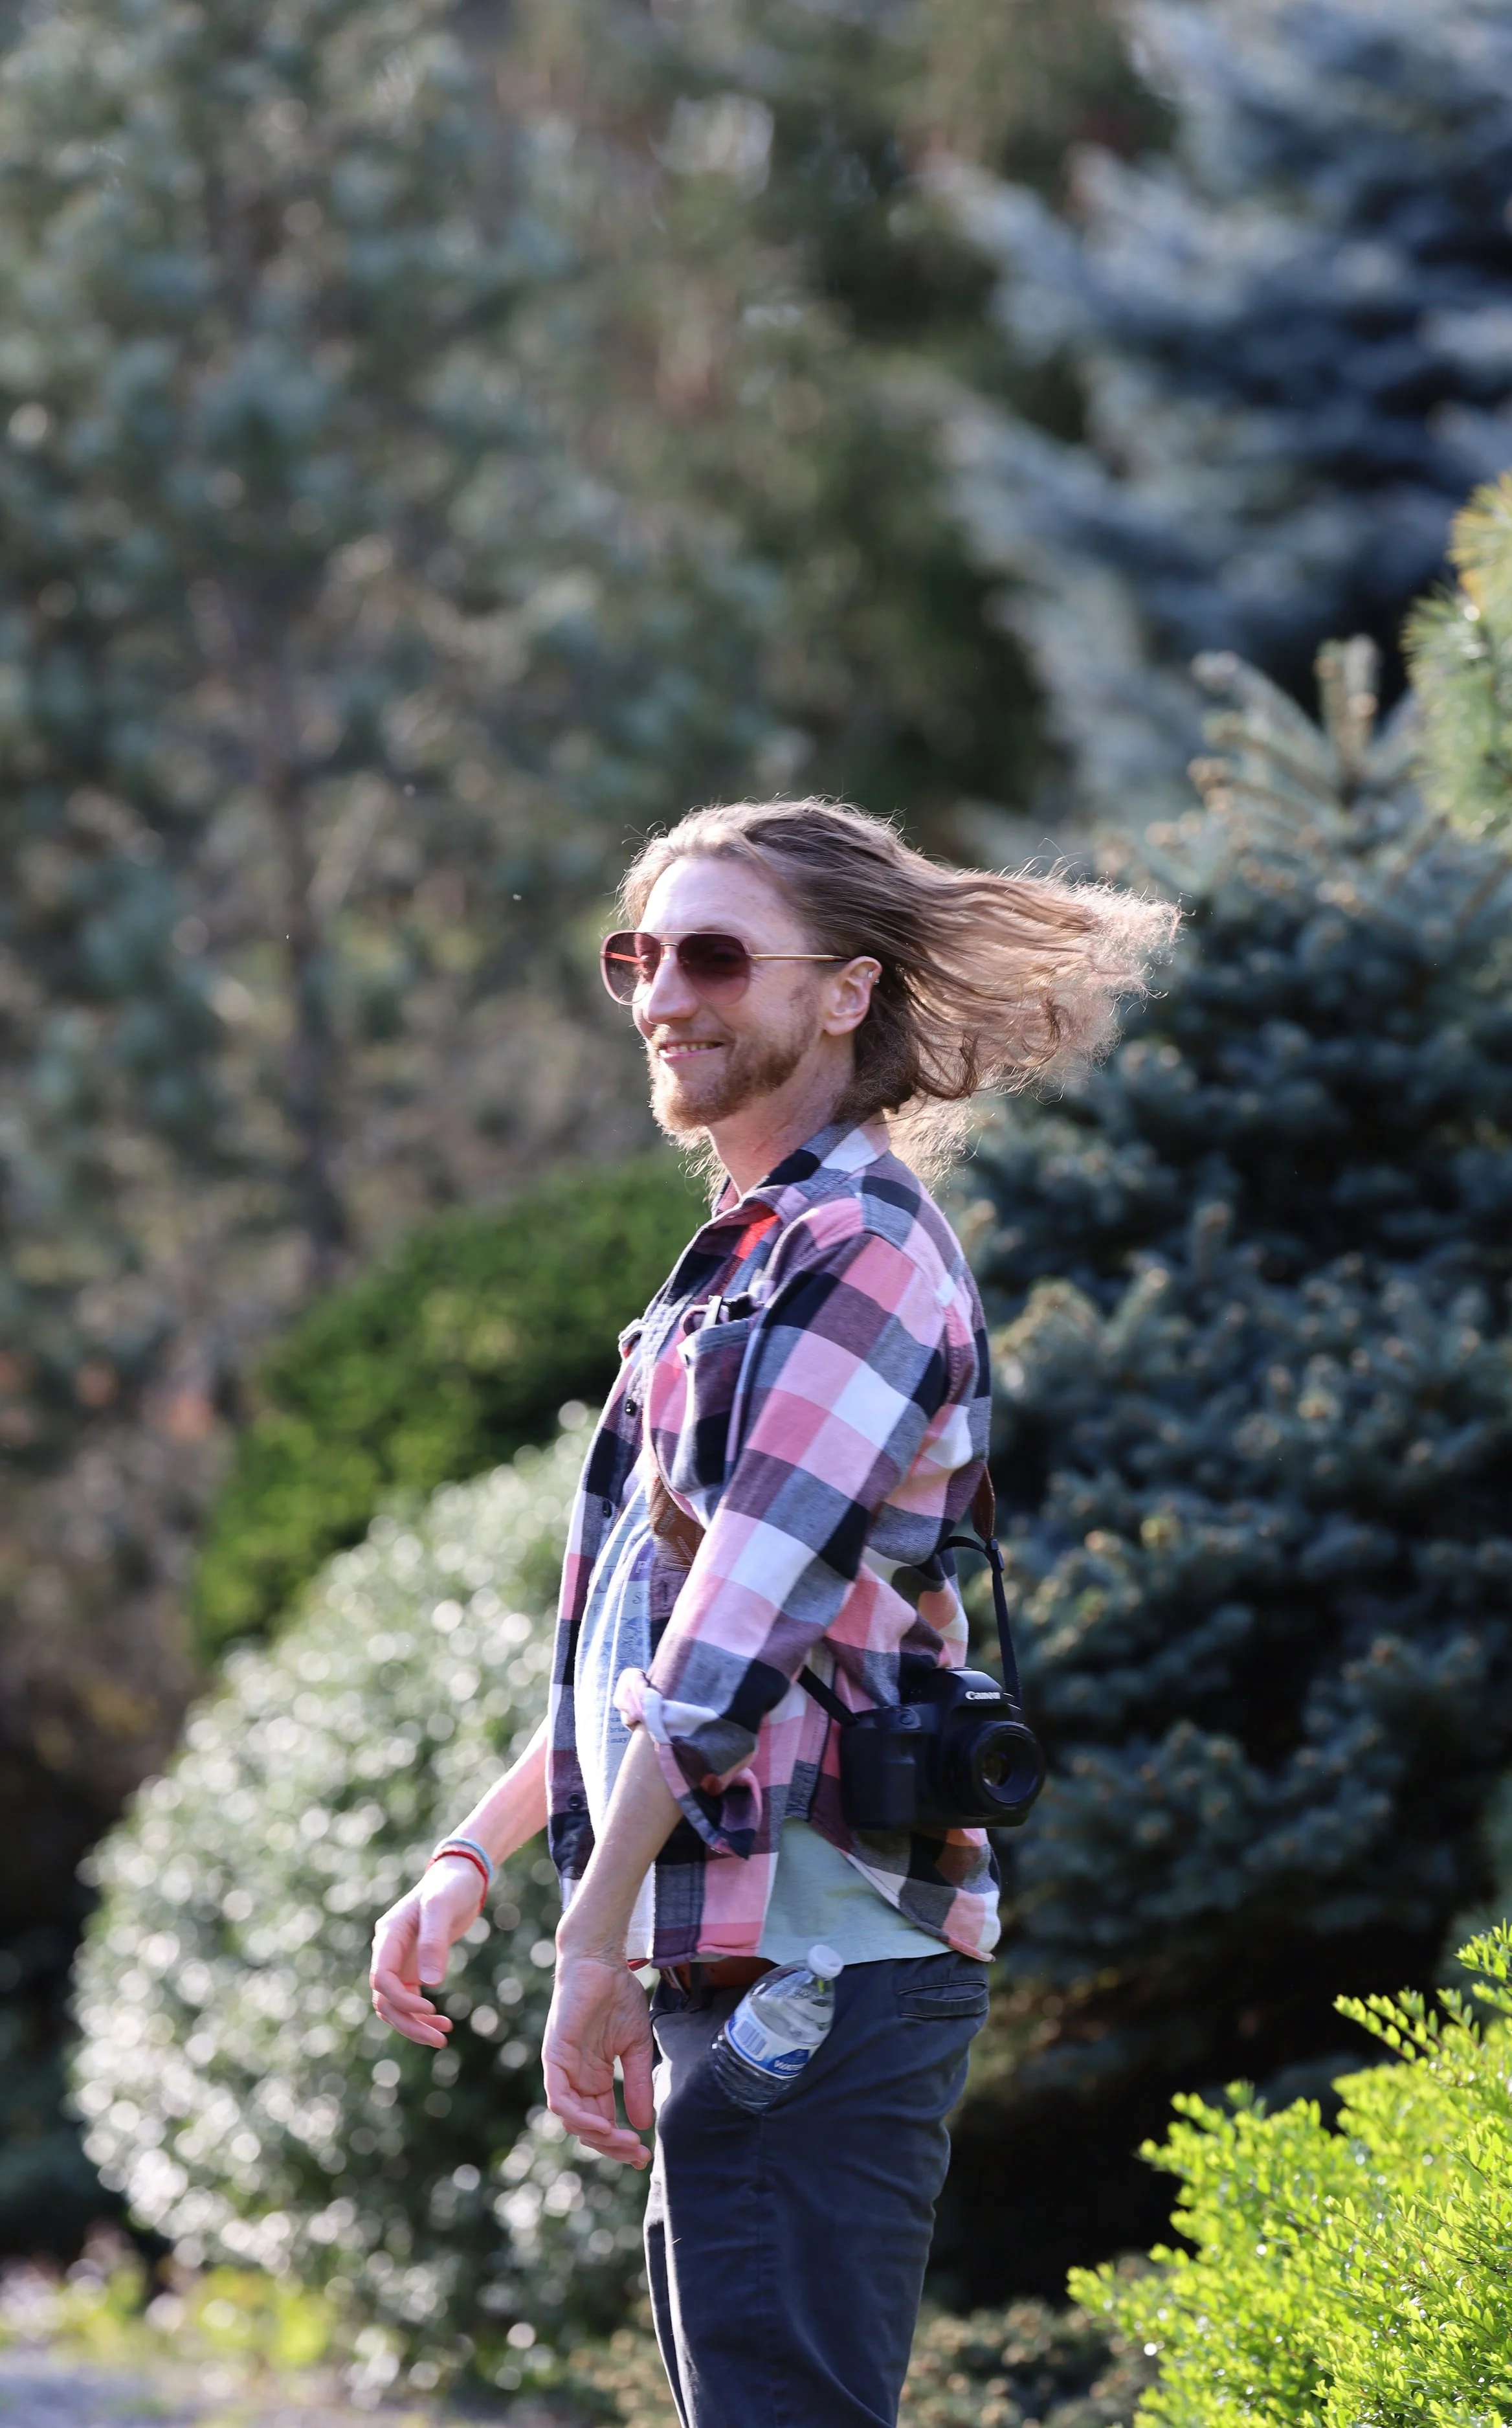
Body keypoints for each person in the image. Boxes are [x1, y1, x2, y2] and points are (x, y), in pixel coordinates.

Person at [370, 798, 1173, 2427]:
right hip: (746, 1958)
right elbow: (638, 1638)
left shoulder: (856, 1253)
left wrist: (585, 1943)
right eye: (640, 954)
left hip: (817, 1959)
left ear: (844, 993)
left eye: (716, 955)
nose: (664, 993)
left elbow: (733, 1638)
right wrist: (475, 1854)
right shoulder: (738, 1258)